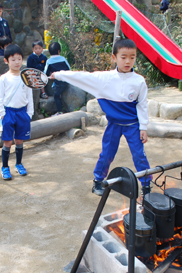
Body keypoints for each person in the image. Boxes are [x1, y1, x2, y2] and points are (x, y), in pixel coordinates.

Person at [50, 39, 152, 196]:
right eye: (123, 56)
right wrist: (58, 75)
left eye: (132, 57)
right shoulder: (104, 79)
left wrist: (143, 127)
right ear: (114, 58)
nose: (127, 61)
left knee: (139, 155)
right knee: (107, 154)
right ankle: (98, 181)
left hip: (133, 125)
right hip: (114, 125)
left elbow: (142, 104)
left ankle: (146, 186)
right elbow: (80, 76)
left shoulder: (139, 81)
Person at [0, 44, 34, 180]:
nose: (17, 62)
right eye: (13, 59)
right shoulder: (4, 78)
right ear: (6, 61)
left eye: (19, 59)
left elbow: (29, 96)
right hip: (8, 113)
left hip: (23, 113)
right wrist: (2, 113)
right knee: (7, 142)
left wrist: (29, 114)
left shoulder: (26, 77)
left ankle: (19, 164)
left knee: (19, 140)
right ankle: (5, 167)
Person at [44, 42, 71, 115]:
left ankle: (60, 112)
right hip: (65, 80)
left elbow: (45, 74)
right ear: (59, 51)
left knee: (56, 96)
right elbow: (69, 69)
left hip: (58, 82)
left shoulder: (49, 61)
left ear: (49, 52)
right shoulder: (63, 59)